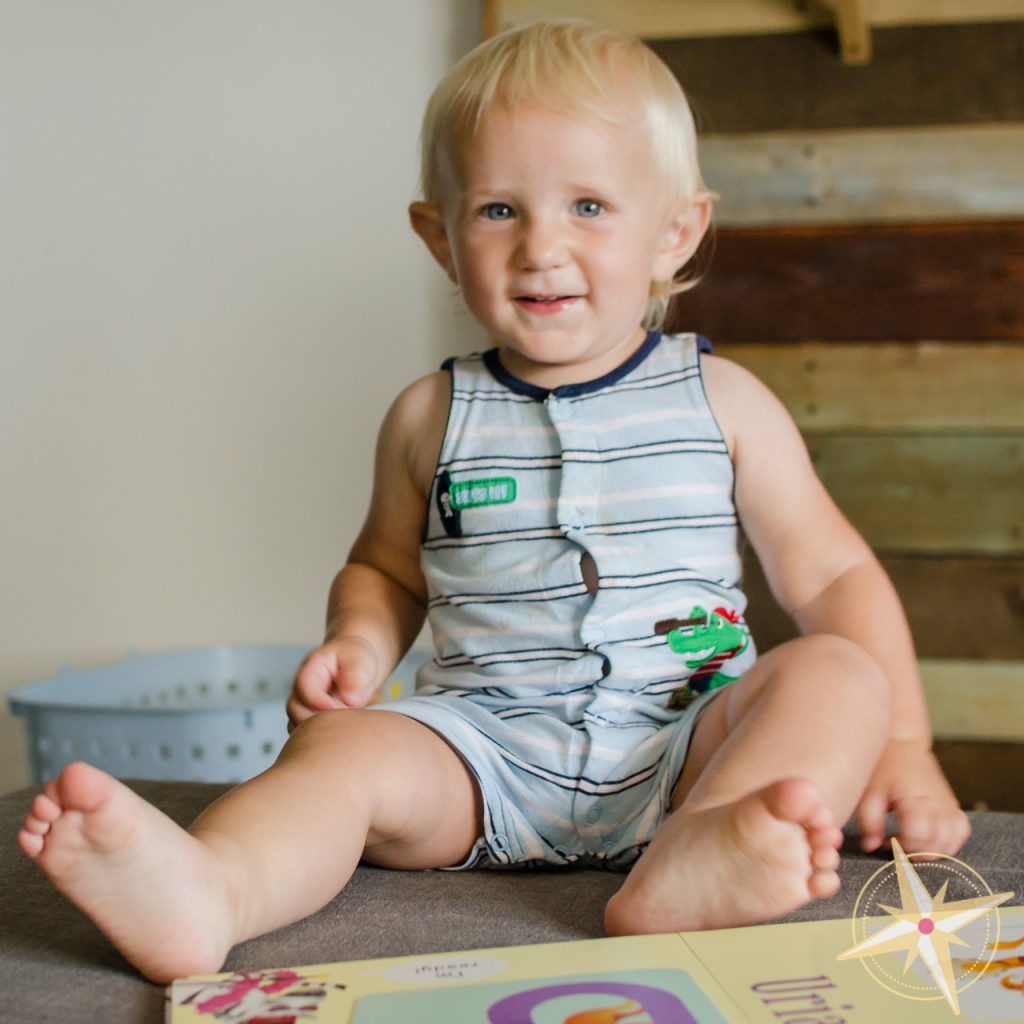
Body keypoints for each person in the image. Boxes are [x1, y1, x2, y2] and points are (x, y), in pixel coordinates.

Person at [18, 19, 969, 985]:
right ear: (438, 235)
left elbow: (835, 573)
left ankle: (701, 856)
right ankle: (212, 887)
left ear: (674, 231)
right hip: (479, 753)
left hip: (694, 745)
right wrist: (358, 641)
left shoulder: (725, 403)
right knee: (342, 754)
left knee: (836, 674)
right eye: (499, 212)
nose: (542, 248)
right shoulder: (429, 415)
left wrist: (902, 744)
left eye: (589, 205)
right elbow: (386, 570)